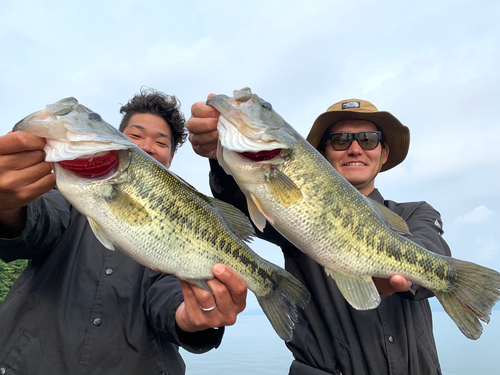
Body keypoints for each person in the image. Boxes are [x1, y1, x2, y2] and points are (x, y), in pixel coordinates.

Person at [187, 96, 451, 375]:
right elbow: (241, 200)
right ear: (323, 154)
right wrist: (221, 157)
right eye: (340, 141)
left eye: (368, 139)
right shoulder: (292, 217)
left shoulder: (416, 213)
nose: (355, 149)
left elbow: (433, 255)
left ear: (383, 153)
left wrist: (403, 275)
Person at [0, 88, 248, 375]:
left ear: (169, 158)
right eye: (136, 136)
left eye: (161, 142)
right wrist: (6, 206)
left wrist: (191, 317)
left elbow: (168, 294)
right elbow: (35, 225)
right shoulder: (69, 193)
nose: (147, 146)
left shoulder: (180, 221)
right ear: (117, 141)